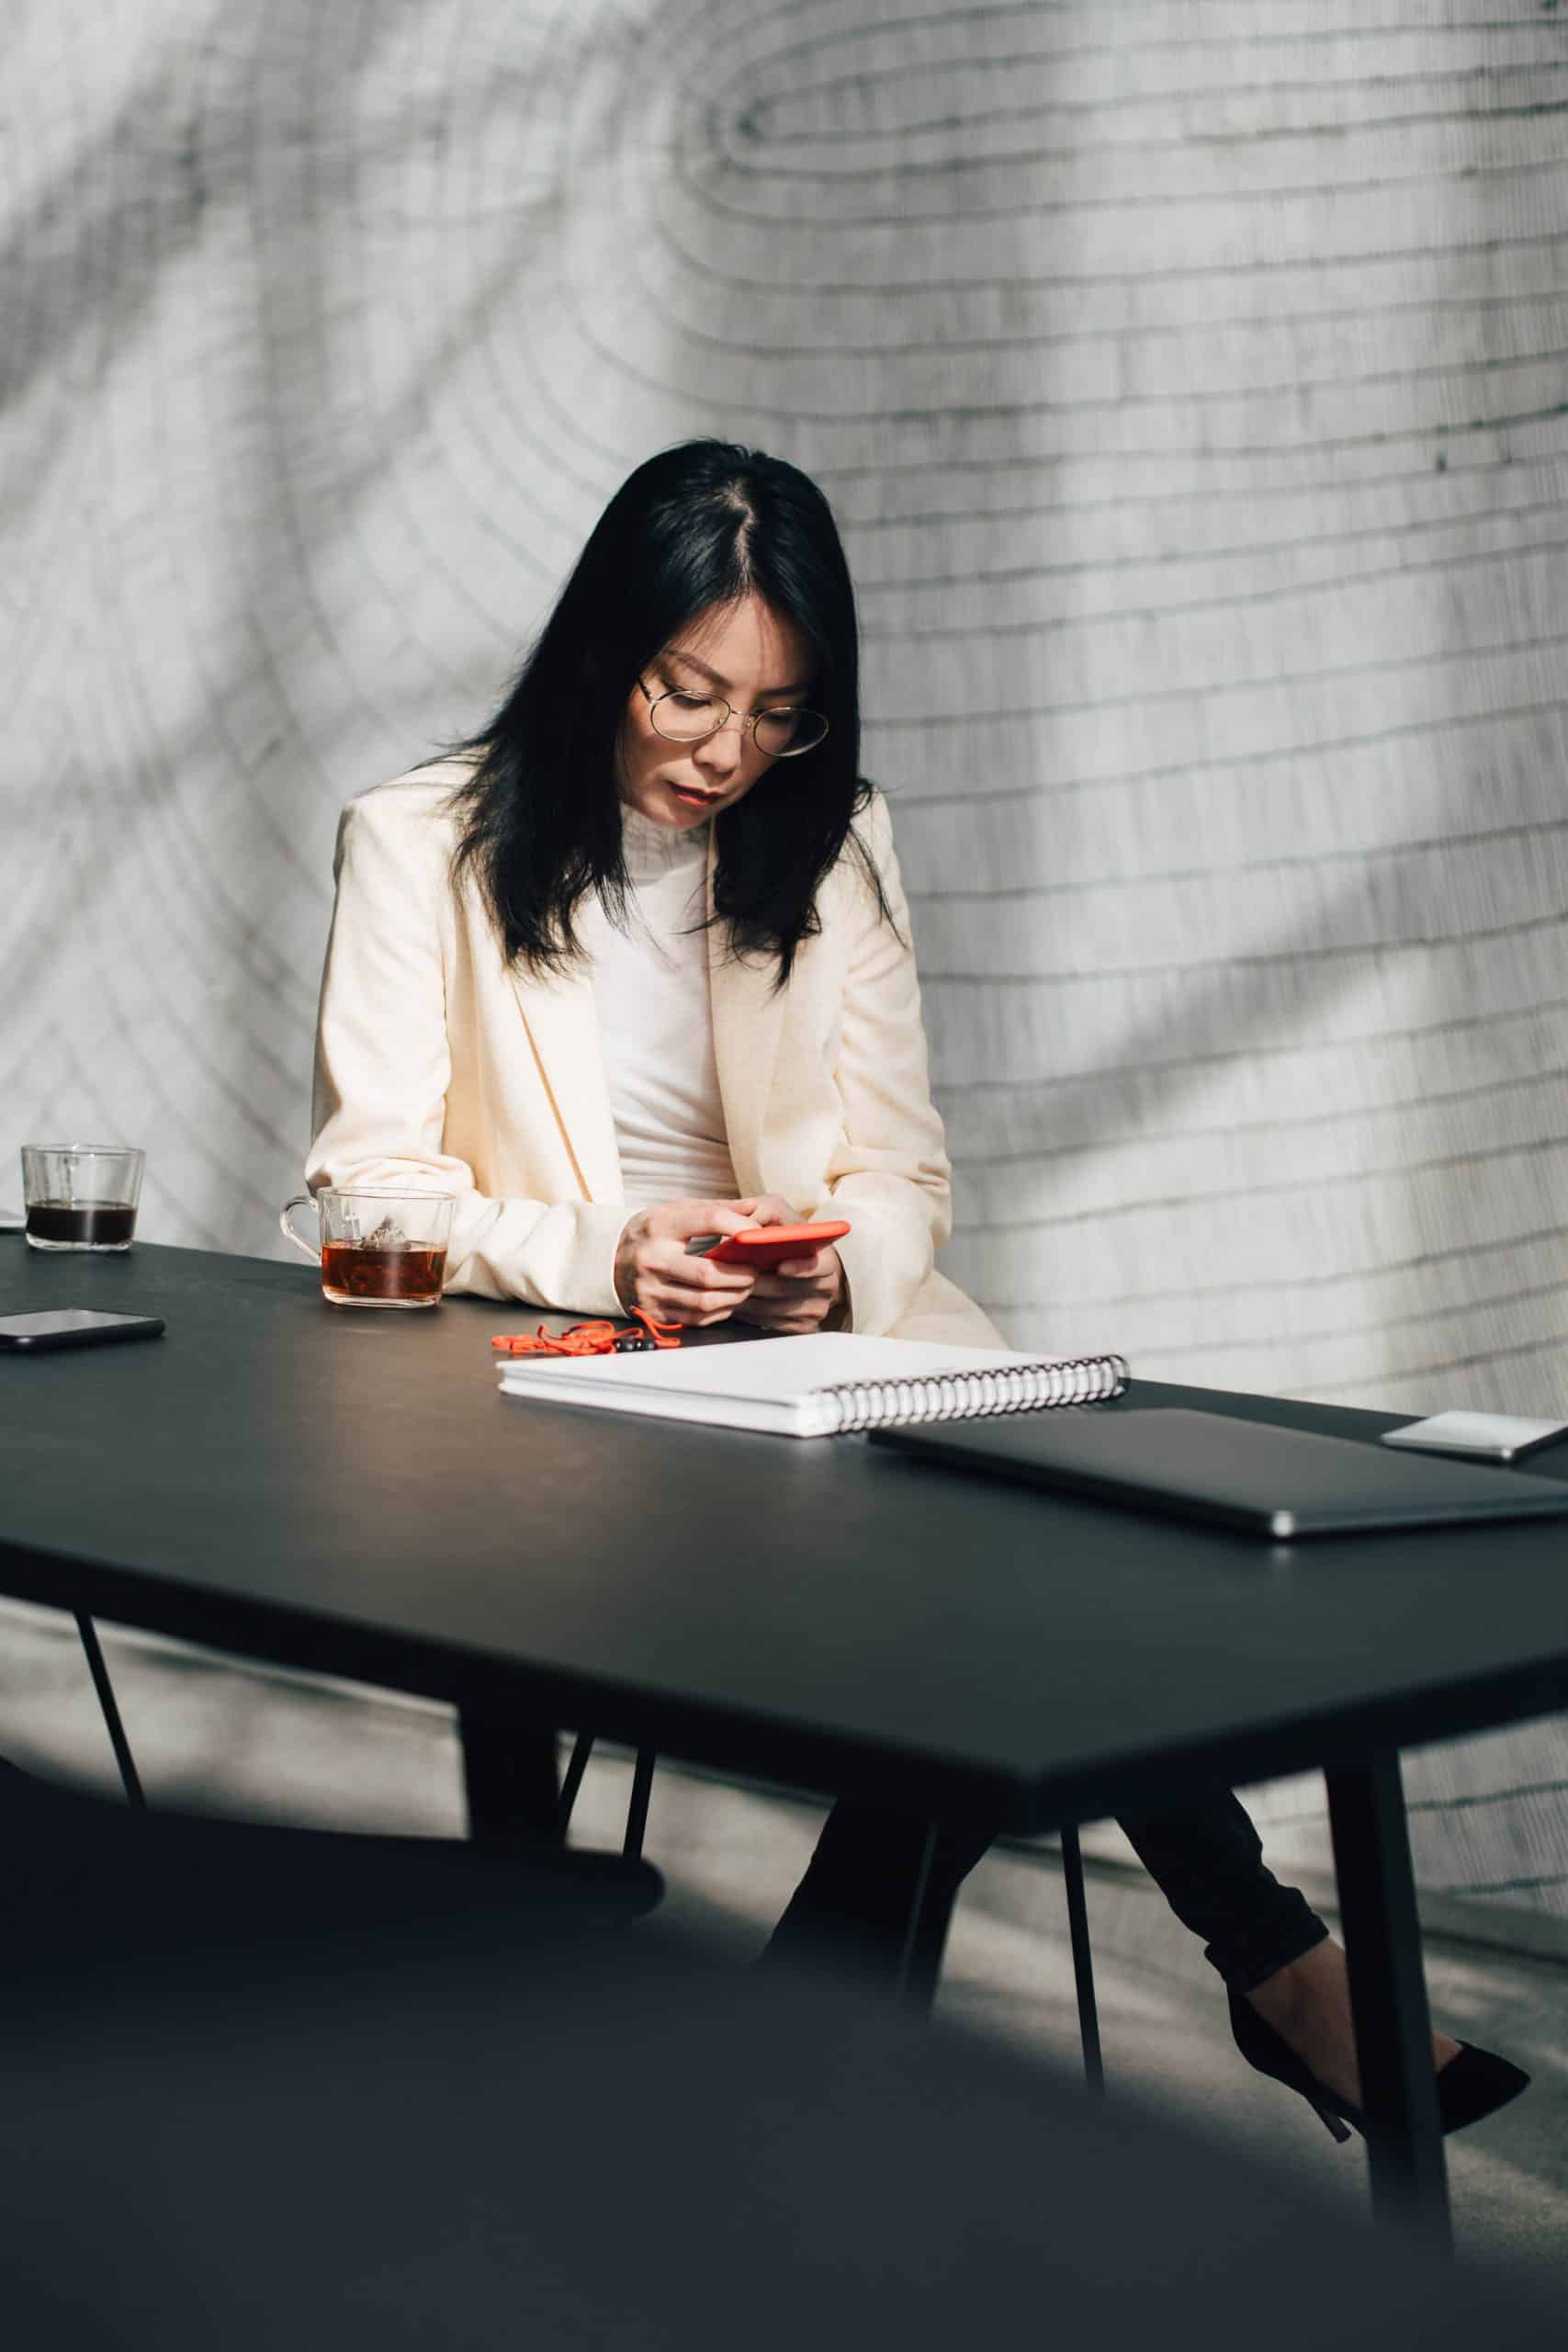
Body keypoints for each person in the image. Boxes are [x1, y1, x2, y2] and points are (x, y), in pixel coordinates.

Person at [307, 439, 1525, 2142]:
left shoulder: (835, 837)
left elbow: (904, 1176)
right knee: (992, 1623)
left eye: (780, 711)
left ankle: (877, 2039)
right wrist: (616, 1251)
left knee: (1076, 1545)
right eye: (688, 690)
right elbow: (369, 1187)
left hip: (823, 1366)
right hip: (565, 1383)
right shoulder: (419, 840)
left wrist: (829, 1276)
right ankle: (1269, 1977)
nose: (729, 751)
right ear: (605, 646)